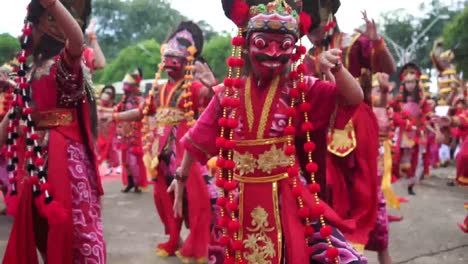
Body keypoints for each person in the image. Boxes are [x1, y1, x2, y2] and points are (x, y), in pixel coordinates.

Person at [172, 0, 368, 263]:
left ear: (294, 47)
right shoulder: (228, 94)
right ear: (246, 42)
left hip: (288, 197)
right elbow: (198, 139)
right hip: (240, 198)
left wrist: (338, 69)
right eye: (264, 44)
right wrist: (181, 177)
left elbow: (354, 98)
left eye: (284, 44)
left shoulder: (302, 88)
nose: (274, 53)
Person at [2, 0, 105, 263]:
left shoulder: (62, 63)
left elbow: (76, 40)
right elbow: (11, 120)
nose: (24, 33)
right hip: (36, 163)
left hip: (67, 160)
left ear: (44, 27)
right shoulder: (29, 73)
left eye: (30, 26)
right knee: (41, 229)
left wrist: (52, 4)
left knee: (77, 228)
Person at [109, 21, 213, 261]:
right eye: (167, 57)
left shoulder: (193, 86)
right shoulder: (158, 90)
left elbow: (212, 100)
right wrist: (113, 117)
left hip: (187, 147)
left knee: (196, 196)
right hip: (162, 150)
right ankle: (174, 238)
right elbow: (142, 112)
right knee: (162, 197)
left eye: (176, 58)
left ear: (186, 60)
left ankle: (199, 242)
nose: (170, 63)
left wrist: (210, 83)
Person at [304, 2, 396, 262]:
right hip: (321, 136)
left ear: (328, 18)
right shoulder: (307, 55)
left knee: (368, 200)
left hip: (358, 133)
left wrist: (376, 40)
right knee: (326, 203)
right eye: (307, 27)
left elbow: (387, 68)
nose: (310, 31)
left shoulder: (353, 43)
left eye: (314, 25)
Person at [392, 63, 432, 195]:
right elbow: (392, 112)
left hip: (417, 132)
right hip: (404, 131)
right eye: (408, 82)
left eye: (413, 82)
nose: (410, 85)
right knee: (401, 157)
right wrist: (404, 122)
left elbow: (427, 114)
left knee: (416, 157)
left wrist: (428, 121)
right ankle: (400, 178)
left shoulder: (422, 99)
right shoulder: (398, 99)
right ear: (403, 83)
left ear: (417, 83)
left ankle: (411, 184)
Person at [113, 68, 148, 193]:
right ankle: (130, 183)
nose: (124, 87)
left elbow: (143, 114)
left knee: (134, 161)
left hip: (135, 134)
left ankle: (138, 183)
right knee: (126, 161)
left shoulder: (140, 101)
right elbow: (115, 112)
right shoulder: (124, 101)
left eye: (127, 85)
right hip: (125, 134)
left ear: (134, 86)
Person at [97, 85, 121, 175]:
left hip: (111, 127)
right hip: (102, 128)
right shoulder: (100, 103)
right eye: (106, 92)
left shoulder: (114, 104)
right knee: (102, 146)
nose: (107, 94)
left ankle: (117, 166)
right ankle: (109, 166)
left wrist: (104, 110)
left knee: (112, 147)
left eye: (109, 93)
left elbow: (116, 112)